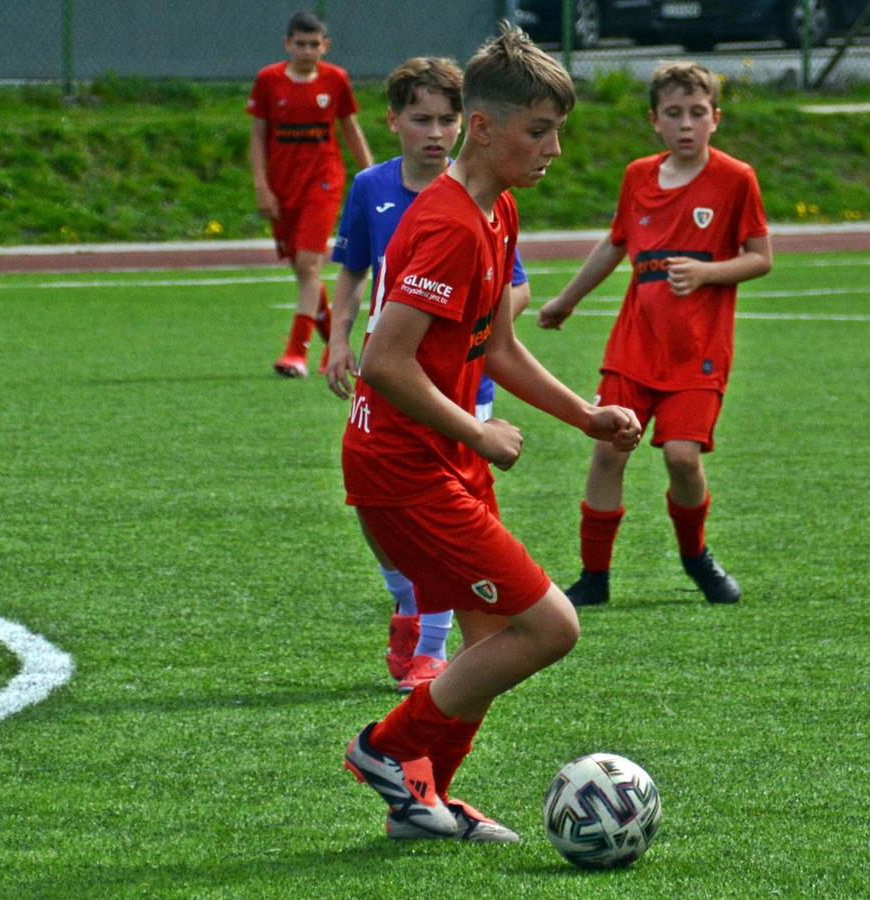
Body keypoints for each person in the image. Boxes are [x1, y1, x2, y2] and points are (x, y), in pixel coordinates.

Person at [340, 26, 642, 843]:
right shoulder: (448, 224)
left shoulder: (496, 208)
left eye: (557, 131)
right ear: (482, 127)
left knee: (491, 639)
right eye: (538, 131)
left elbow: (497, 346)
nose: (553, 150)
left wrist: (584, 414)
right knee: (549, 627)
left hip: (437, 456)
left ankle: (423, 801)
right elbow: (384, 363)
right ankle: (386, 748)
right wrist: (476, 432)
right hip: (402, 465)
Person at [325, 57, 532, 693]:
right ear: (393, 122)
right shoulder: (372, 188)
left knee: (449, 531)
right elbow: (356, 272)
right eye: (422, 119)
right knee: (378, 517)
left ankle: (430, 649)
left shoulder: (483, 200)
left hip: (465, 389)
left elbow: (513, 290)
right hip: (393, 384)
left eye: (447, 120)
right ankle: (409, 602)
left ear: (467, 123)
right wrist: (337, 338)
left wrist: (476, 318)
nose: (436, 133)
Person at [537, 61, 773, 607]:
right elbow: (615, 242)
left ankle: (696, 556)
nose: (686, 124)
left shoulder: (736, 178)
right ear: (654, 120)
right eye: (674, 113)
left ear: (715, 118)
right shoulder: (638, 176)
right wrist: (567, 300)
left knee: (682, 459)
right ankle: (594, 577)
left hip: (699, 351)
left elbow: (760, 258)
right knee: (608, 451)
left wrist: (708, 272)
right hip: (634, 346)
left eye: (697, 113)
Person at [248, 9, 373, 378]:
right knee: (301, 267)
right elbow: (257, 136)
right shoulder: (268, 80)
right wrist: (261, 185)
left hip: (324, 182)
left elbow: (350, 128)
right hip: (282, 186)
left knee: (308, 265)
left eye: (313, 44)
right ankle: (334, 345)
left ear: (325, 46)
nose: (306, 50)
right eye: (300, 44)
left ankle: (295, 352)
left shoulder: (335, 80)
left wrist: (371, 174)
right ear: (287, 44)